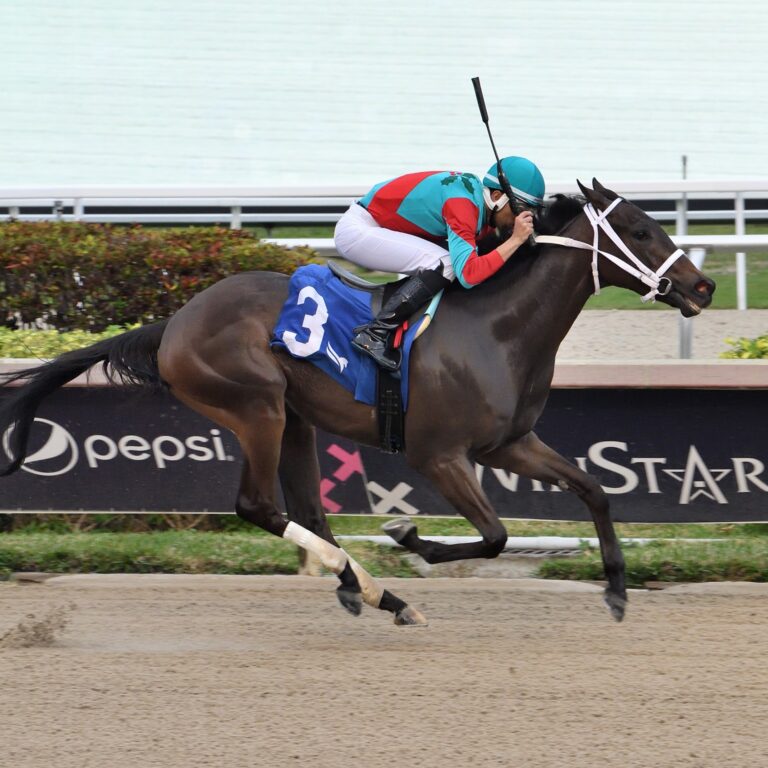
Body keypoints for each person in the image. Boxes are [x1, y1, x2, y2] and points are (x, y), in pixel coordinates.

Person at [334, 156, 545, 370]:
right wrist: (516, 239)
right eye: (520, 208)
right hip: (358, 231)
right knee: (447, 263)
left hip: (376, 224)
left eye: (530, 210)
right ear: (497, 196)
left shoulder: (476, 202)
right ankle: (375, 333)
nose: (521, 217)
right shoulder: (462, 205)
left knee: (449, 258)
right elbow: (469, 275)